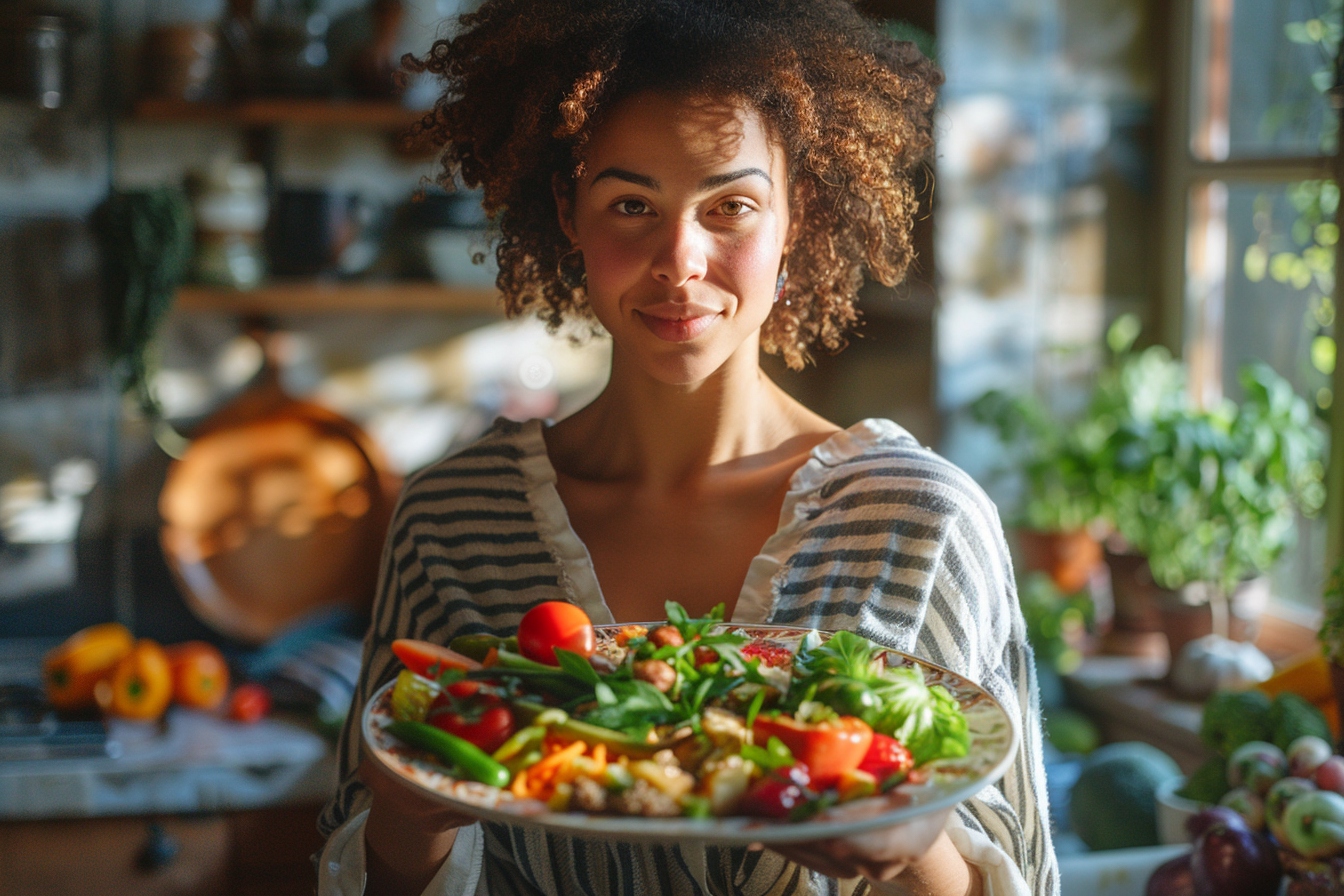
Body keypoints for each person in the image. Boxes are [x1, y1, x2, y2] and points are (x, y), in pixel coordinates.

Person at [318, 1, 1059, 894]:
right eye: (632, 203)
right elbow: (365, 862)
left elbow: (1021, 877)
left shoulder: (923, 524)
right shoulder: (449, 521)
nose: (679, 259)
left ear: (799, 216)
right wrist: (405, 823)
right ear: (568, 212)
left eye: (732, 206)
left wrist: (916, 855)